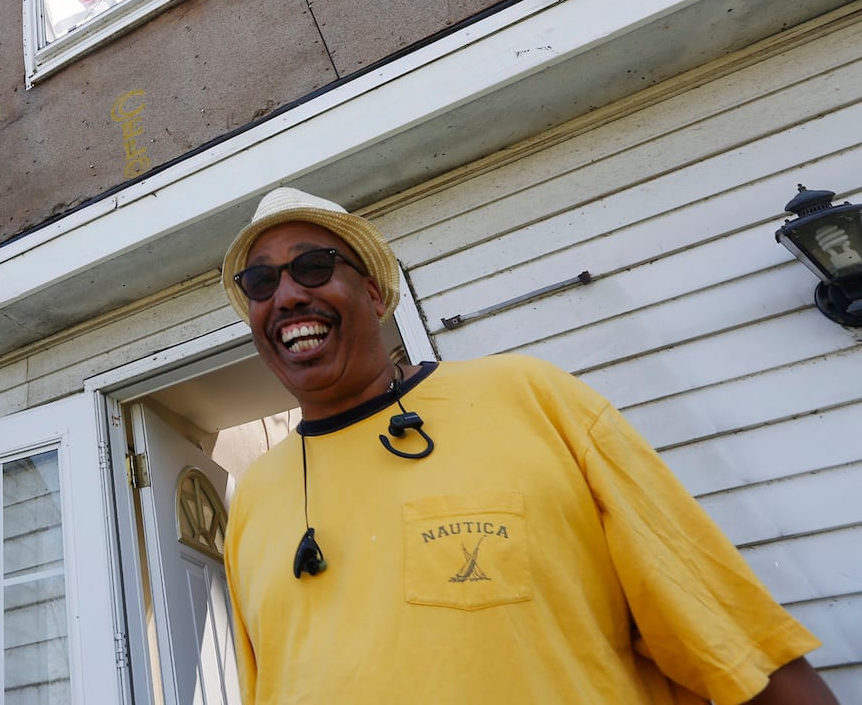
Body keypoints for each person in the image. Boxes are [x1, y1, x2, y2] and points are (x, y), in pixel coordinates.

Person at [219, 186, 838, 705]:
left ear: (376, 296)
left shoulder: (530, 398)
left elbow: (732, 643)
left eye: (314, 267)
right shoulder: (253, 502)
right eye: (262, 281)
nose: (289, 295)